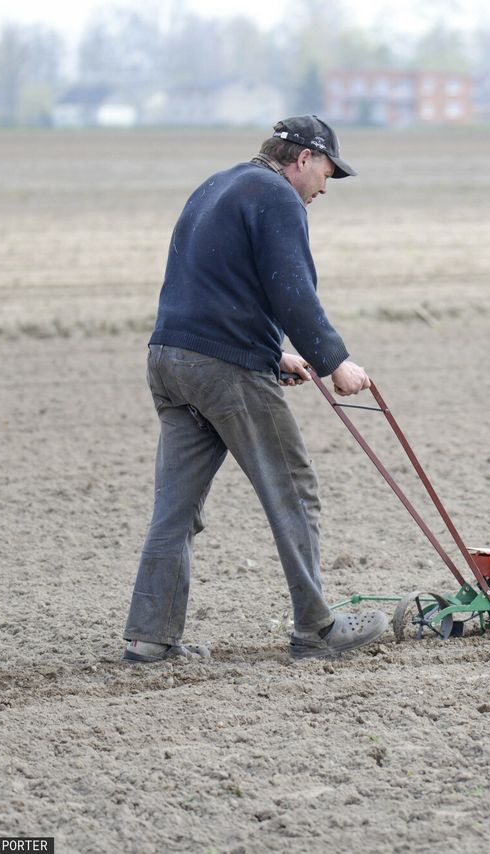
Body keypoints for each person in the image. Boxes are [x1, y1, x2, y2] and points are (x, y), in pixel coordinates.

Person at [122, 115, 388, 663]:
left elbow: (219, 285)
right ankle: (317, 629)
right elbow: (292, 293)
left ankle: (150, 639)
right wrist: (335, 361)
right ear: (303, 159)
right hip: (223, 369)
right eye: (326, 173)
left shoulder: (217, 185)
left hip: (170, 360)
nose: (323, 188)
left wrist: (270, 355)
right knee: (293, 488)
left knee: (175, 510)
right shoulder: (278, 197)